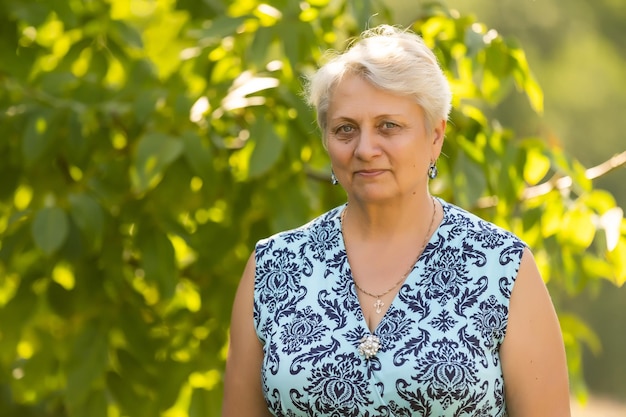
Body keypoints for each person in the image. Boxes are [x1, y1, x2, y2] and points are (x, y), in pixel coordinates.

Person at [222, 24, 570, 416]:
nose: (366, 148)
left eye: (388, 126)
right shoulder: (273, 266)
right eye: (345, 129)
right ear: (326, 141)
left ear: (435, 136)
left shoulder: (501, 266)